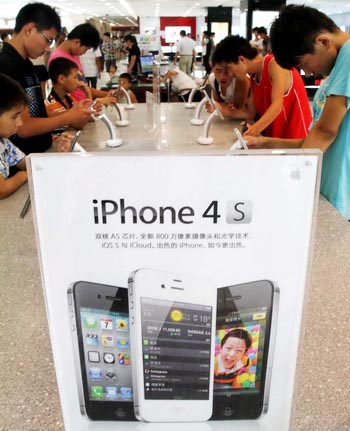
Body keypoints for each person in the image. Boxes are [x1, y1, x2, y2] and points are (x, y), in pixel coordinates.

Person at [245, 5, 350, 221]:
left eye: (304, 64)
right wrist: (265, 143)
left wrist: (292, 181)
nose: (308, 73)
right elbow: (315, 138)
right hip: (329, 188)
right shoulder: (340, 64)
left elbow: (325, 132)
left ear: (323, 41)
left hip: (340, 197)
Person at [0, 2, 92, 154]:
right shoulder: (6, 67)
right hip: (21, 164)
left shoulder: (26, 65)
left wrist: (73, 113)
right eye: (48, 40)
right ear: (29, 29)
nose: (48, 48)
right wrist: (68, 117)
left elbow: (37, 114)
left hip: (39, 153)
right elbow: (23, 128)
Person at [212, 35, 312, 139]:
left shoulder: (275, 65)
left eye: (229, 67)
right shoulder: (253, 77)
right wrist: (222, 111)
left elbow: (276, 106)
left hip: (297, 139)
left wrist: (253, 130)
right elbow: (250, 113)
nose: (230, 73)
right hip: (277, 141)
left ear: (241, 59)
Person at [0, 73, 71, 198]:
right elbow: (2, 189)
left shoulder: (3, 141)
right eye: (14, 116)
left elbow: (28, 163)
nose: (20, 122)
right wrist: (24, 175)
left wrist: (59, 155)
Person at [49, 23, 116, 105]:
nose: (84, 53)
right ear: (77, 42)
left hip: (83, 105)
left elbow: (82, 87)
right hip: (76, 109)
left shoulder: (74, 54)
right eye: (86, 49)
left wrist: (106, 94)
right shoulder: (59, 59)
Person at [46, 58, 91, 130]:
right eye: (75, 77)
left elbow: (88, 118)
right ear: (61, 79)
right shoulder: (51, 104)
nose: (78, 82)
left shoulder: (69, 98)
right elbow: (80, 123)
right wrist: (88, 94)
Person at [207, 42, 250, 115]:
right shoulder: (212, 79)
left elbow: (241, 108)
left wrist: (222, 111)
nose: (222, 76)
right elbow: (219, 103)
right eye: (218, 71)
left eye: (227, 71)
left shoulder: (241, 79)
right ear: (212, 68)